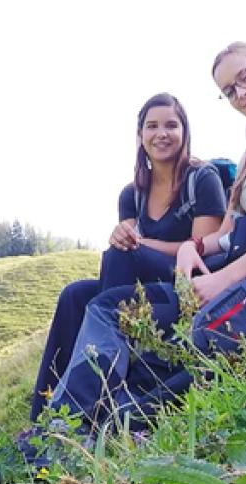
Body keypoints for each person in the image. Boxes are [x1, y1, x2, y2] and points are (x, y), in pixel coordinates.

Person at [46, 40, 246, 430]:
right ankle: (54, 425)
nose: (240, 93)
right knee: (106, 306)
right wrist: (193, 245)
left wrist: (225, 277)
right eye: (230, 90)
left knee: (199, 332)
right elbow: (228, 234)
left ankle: (102, 423)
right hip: (239, 267)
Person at [28, 92, 226, 421]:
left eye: (171, 125)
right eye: (152, 126)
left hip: (182, 285)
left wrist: (141, 243)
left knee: (122, 257)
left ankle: (103, 386)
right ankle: (43, 415)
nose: (161, 134)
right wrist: (124, 236)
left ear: (184, 131)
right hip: (138, 285)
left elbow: (204, 248)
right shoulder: (132, 194)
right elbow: (130, 247)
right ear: (140, 135)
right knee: (74, 295)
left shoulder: (202, 179)